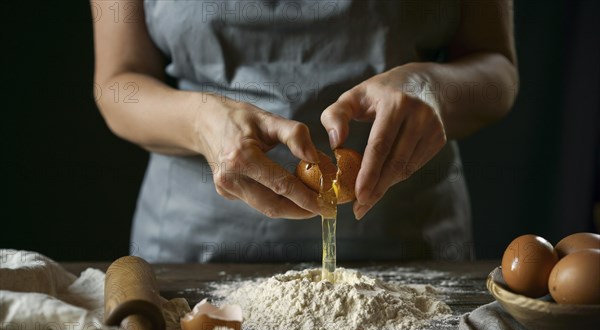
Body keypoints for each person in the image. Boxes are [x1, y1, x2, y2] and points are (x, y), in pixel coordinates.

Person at [91, 0, 518, 262]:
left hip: (407, 247)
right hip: (195, 253)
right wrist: (201, 121)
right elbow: (117, 83)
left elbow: (497, 69)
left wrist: (433, 89)